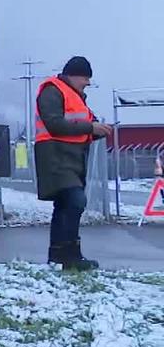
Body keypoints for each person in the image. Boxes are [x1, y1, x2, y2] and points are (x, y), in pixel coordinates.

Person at [34, 56, 111, 271]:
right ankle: (67, 255)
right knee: (75, 201)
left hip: (71, 159)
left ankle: (62, 256)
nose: (88, 83)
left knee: (65, 205)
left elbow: (82, 126)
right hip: (55, 157)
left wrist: (98, 130)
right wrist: (90, 128)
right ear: (73, 75)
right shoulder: (52, 90)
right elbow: (54, 124)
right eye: (85, 78)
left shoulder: (76, 97)